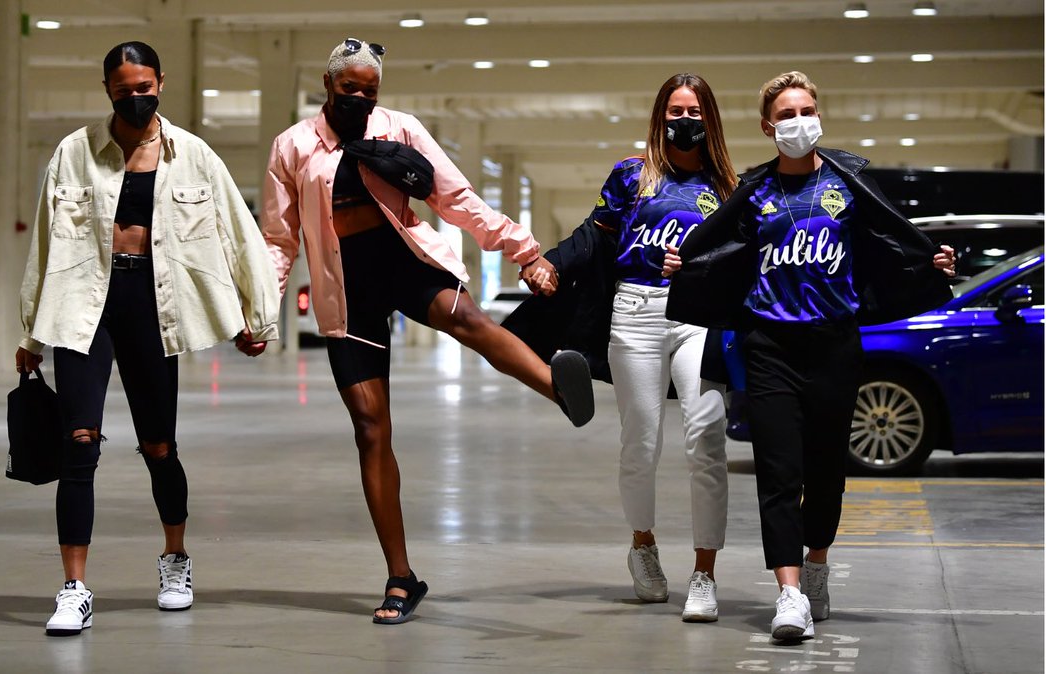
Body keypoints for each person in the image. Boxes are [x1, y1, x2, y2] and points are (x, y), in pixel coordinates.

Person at [261, 38, 594, 625]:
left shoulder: (401, 128)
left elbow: (456, 198)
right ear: (328, 84)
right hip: (347, 290)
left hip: (405, 262)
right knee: (371, 430)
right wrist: (263, 311)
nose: (360, 98)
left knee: (469, 320)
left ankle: (559, 388)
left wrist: (523, 249)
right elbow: (279, 238)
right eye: (349, 88)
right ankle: (401, 577)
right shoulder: (292, 146)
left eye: (370, 90)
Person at [663, 71, 956, 642]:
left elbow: (887, 246)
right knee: (778, 472)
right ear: (767, 127)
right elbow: (720, 251)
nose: (798, 122)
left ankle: (816, 563)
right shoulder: (755, 190)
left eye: (806, 111)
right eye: (786, 115)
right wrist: (688, 265)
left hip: (834, 345)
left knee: (825, 473)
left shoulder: (848, 183)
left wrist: (929, 265)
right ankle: (789, 593)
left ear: (818, 116)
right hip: (769, 346)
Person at [15, 41, 280, 637]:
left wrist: (255, 316)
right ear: (106, 89)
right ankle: (74, 589)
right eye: (123, 90)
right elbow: (44, 244)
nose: (135, 97)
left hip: (154, 305)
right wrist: (32, 331)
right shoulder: (74, 152)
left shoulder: (194, 155)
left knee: (159, 446)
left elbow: (238, 233)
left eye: (144, 87)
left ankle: (175, 559)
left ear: (160, 81)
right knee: (78, 442)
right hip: (83, 304)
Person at [515, 73, 737, 622]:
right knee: (641, 443)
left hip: (698, 318)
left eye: (694, 111)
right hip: (635, 314)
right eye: (675, 111)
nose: (684, 120)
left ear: (710, 119)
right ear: (660, 117)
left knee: (706, 439)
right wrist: (549, 262)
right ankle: (643, 546)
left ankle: (705, 573)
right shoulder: (632, 175)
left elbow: (742, 259)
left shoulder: (728, 187)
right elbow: (593, 235)